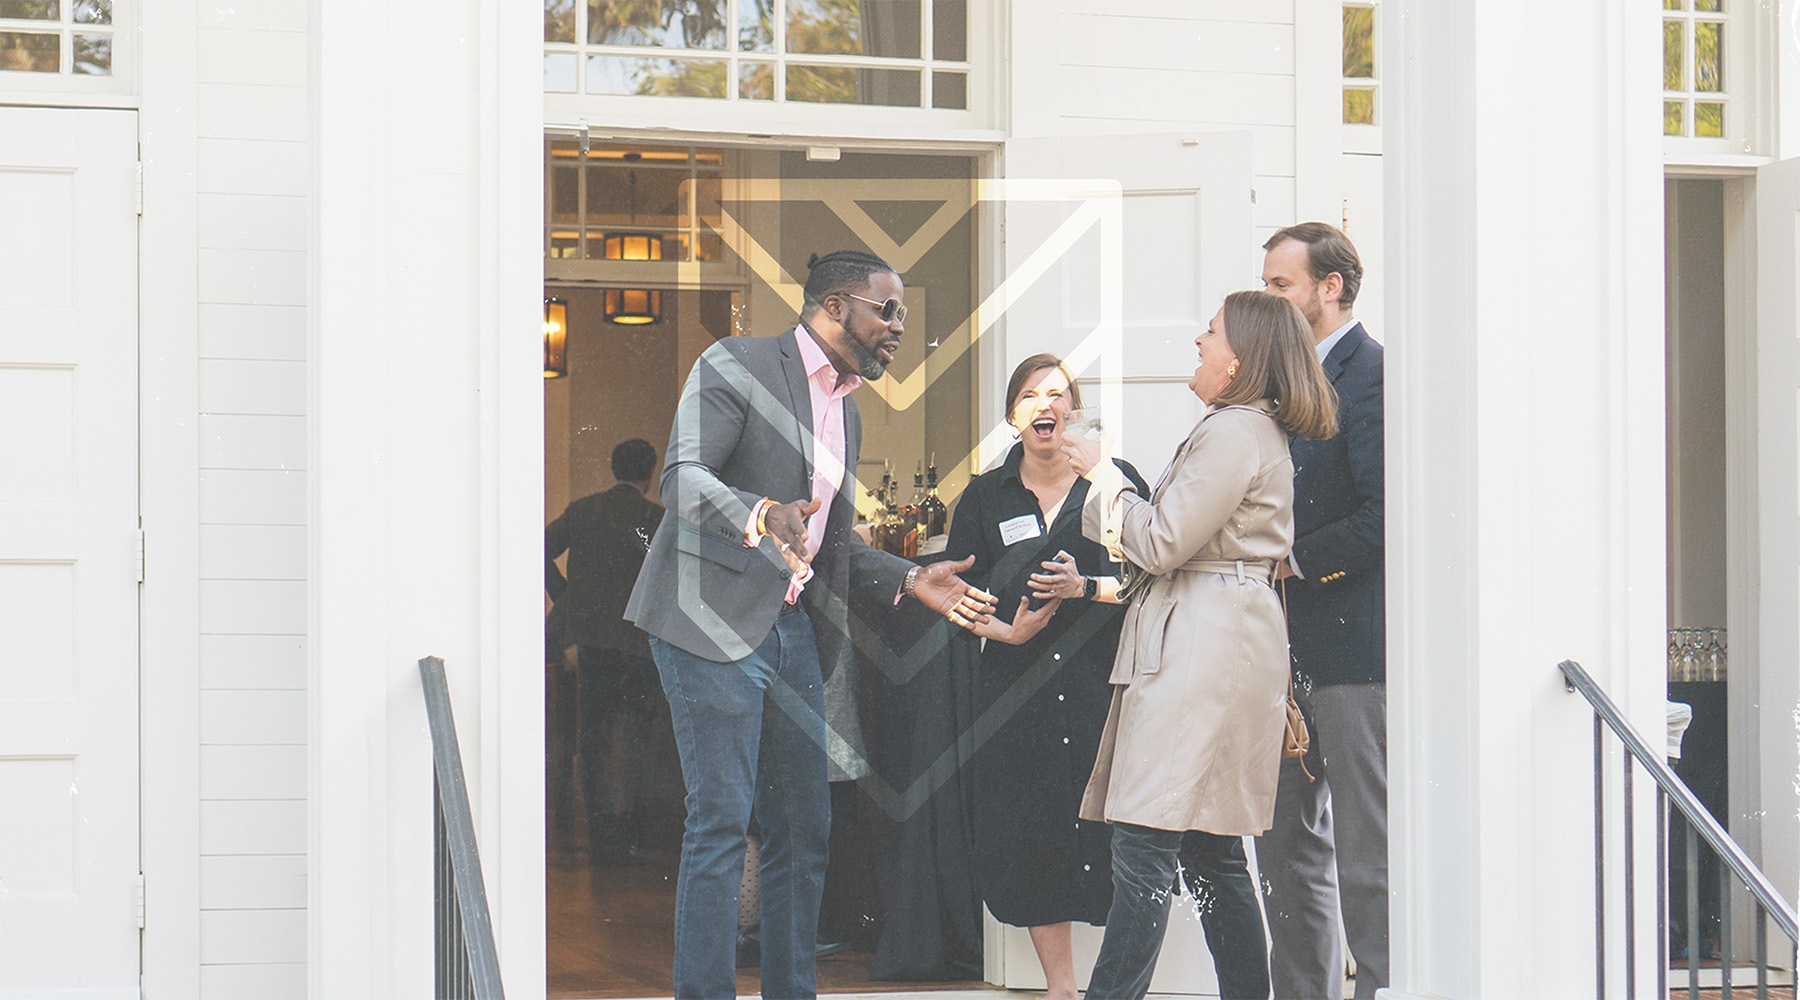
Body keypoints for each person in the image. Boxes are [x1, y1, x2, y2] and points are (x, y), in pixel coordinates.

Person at [623, 249, 994, 1000]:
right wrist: (760, 515)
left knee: (805, 827)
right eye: (886, 311)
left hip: (791, 630)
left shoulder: (846, 406)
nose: (898, 328)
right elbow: (682, 476)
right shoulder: (737, 363)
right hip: (707, 622)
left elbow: (833, 546)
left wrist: (911, 577)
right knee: (723, 820)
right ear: (834, 306)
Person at [1056, 290, 1339, 1000]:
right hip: (1219, 641)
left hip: (1200, 650)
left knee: (1146, 842)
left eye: (1211, 333)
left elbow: (1160, 541)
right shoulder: (1246, 431)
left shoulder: (1234, 432)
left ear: (1241, 357)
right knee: (1211, 850)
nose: (1198, 341)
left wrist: (1098, 471)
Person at [941, 355, 1148, 1000]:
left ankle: (1120, 983)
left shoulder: (1116, 484)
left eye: (1058, 394)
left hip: (1103, 685)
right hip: (1017, 691)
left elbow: (1153, 576)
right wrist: (1004, 631)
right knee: (1031, 830)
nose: (1044, 405)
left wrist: (1085, 588)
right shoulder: (984, 496)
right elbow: (958, 590)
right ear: (1013, 416)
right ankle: (1061, 987)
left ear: (1074, 413)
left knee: (1119, 832)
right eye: (1030, 395)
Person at [1257, 222, 1388, 1000]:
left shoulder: (1371, 375)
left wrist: (1290, 558)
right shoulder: (1280, 384)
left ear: (1328, 287)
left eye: (1281, 284)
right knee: (1283, 848)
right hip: (1275, 653)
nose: (1269, 296)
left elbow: (1382, 517)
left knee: (1367, 854)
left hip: (1350, 656)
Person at [545, 438, 666, 867]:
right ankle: (634, 828)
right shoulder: (654, 519)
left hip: (591, 639)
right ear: (649, 472)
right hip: (638, 642)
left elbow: (540, 549)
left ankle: (599, 828)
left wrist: (567, 597)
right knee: (638, 740)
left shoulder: (583, 511)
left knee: (593, 736)